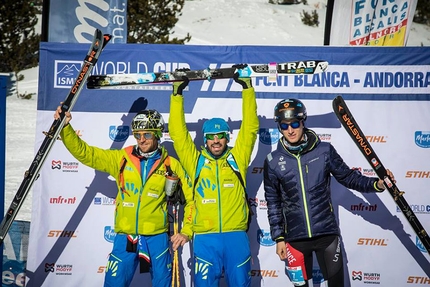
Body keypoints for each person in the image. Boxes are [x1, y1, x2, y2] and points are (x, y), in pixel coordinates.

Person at [54, 107, 194, 287]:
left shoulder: (171, 165)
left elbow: (191, 200)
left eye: (147, 135)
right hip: (126, 237)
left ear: (158, 134)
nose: (141, 139)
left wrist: (187, 231)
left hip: (156, 237)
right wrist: (66, 128)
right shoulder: (121, 158)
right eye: (137, 134)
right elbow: (86, 153)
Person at [263, 98, 396, 287]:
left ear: (303, 122)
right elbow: (273, 202)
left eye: (294, 123)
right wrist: (279, 238)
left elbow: (349, 177)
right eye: (284, 126)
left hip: (327, 235)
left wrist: (378, 184)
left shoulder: (324, 150)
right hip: (294, 239)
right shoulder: (273, 160)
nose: (290, 130)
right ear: (279, 127)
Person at [168, 65, 259, 287]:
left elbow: (250, 128)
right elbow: (178, 134)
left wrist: (247, 88)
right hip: (205, 239)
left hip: (236, 237)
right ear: (205, 139)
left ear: (226, 138)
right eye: (211, 136)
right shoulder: (195, 161)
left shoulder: (238, 158)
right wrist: (178, 93)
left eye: (220, 136)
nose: (216, 141)